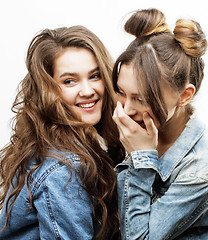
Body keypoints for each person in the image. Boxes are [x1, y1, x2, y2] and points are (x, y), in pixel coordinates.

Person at [0, 25, 124, 239]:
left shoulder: (86, 144)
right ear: (48, 91)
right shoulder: (63, 169)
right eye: (69, 81)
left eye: (95, 76)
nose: (87, 91)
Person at [112, 8, 208, 240]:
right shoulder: (131, 121)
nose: (127, 110)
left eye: (141, 98)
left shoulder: (202, 169)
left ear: (184, 95)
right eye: (121, 92)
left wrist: (140, 159)